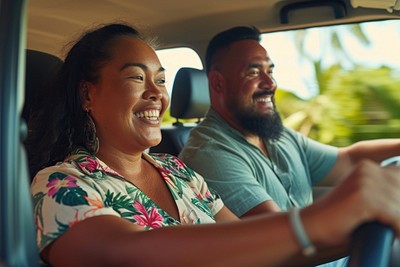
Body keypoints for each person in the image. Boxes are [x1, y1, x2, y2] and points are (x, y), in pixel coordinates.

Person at [27, 22, 400, 267]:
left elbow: (253, 250)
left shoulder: (177, 171)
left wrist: (363, 222)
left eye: (161, 79)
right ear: (87, 95)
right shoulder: (62, 185)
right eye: (136, 78)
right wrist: (317, 222)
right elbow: (125, 255)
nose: (156, 93)